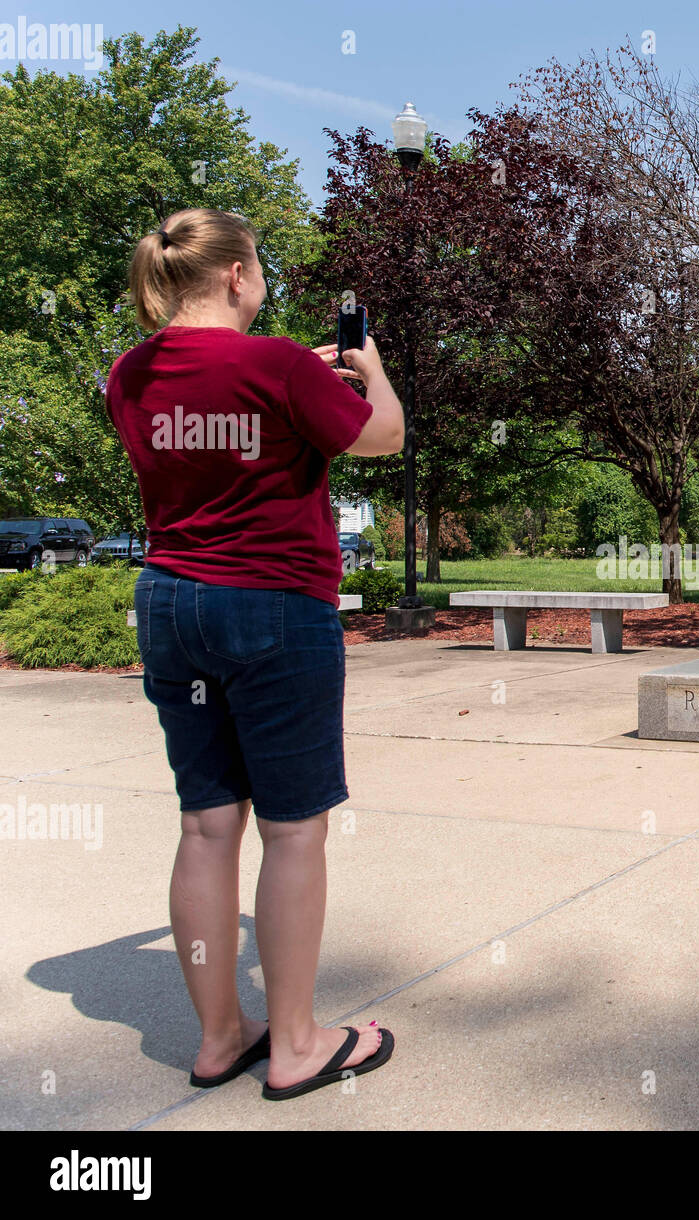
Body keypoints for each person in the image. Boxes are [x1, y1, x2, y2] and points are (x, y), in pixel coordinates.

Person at [106, 208, 403, 1100]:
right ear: (236, 275)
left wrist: (284, 387)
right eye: (261, 265)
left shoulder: (128, 373)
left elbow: (206, 437)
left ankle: (219, 1037)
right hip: (272, 604)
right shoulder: (273, 362)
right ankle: (300, 1044)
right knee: (293, 830)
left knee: (206, 825)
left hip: (169, 602)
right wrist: (369, 373)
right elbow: (379, 435)